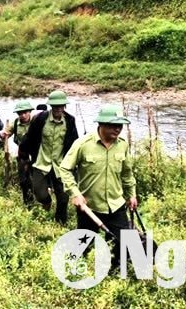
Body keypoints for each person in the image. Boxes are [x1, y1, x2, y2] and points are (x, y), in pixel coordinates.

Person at [59, 104, 137, 267]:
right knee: (83, 244)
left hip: (116, 206)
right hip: (90, 207)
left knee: (123, 244)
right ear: (101, 125)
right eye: (114, 126)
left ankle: (115, 273)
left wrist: (131, 194)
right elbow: (65, 169)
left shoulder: (122, 145)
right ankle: (69, 270)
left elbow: (127, 173)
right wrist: (75, 193)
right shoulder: (83, 144)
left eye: (120, 126)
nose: (118, 130)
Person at [19, 90, 78, 225]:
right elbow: (29, 137)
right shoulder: (40, 119)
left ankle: (60, 223)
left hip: (61, 164)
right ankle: (47, 202)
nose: (58, 109)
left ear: (64, 106)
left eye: (61, 106)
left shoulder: (70, 120)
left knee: (63, 197)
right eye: (55, 106)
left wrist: (75, 162)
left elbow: (74, 142)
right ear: (51, 106)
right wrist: (23, 154)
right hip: (41, 161)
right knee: (40, 194)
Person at [1, 100, 35, 205]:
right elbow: (6, 133)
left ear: (29, 112)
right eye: (20, 113)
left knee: (36, 180)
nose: (23, 115)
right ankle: (27, 203)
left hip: (36, 155)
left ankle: (38, 199)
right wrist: (3, 135)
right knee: (23, 181)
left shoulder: (36, 122)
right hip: (22, 155)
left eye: (25, 112)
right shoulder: (15, 123)